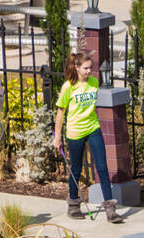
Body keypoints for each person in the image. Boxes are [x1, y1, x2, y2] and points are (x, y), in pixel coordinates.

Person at [53, 53, 124, 223]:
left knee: (102, 167)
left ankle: (110, 210)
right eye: (86, 68)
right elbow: (60, 113)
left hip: (93, 128)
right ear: (76, 67)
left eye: (90, 68)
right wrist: (57, 137)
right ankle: (73, 205)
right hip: (75, 132)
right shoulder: (68, 87)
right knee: (76, 169)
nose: (89, 71)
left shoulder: (93, 83)